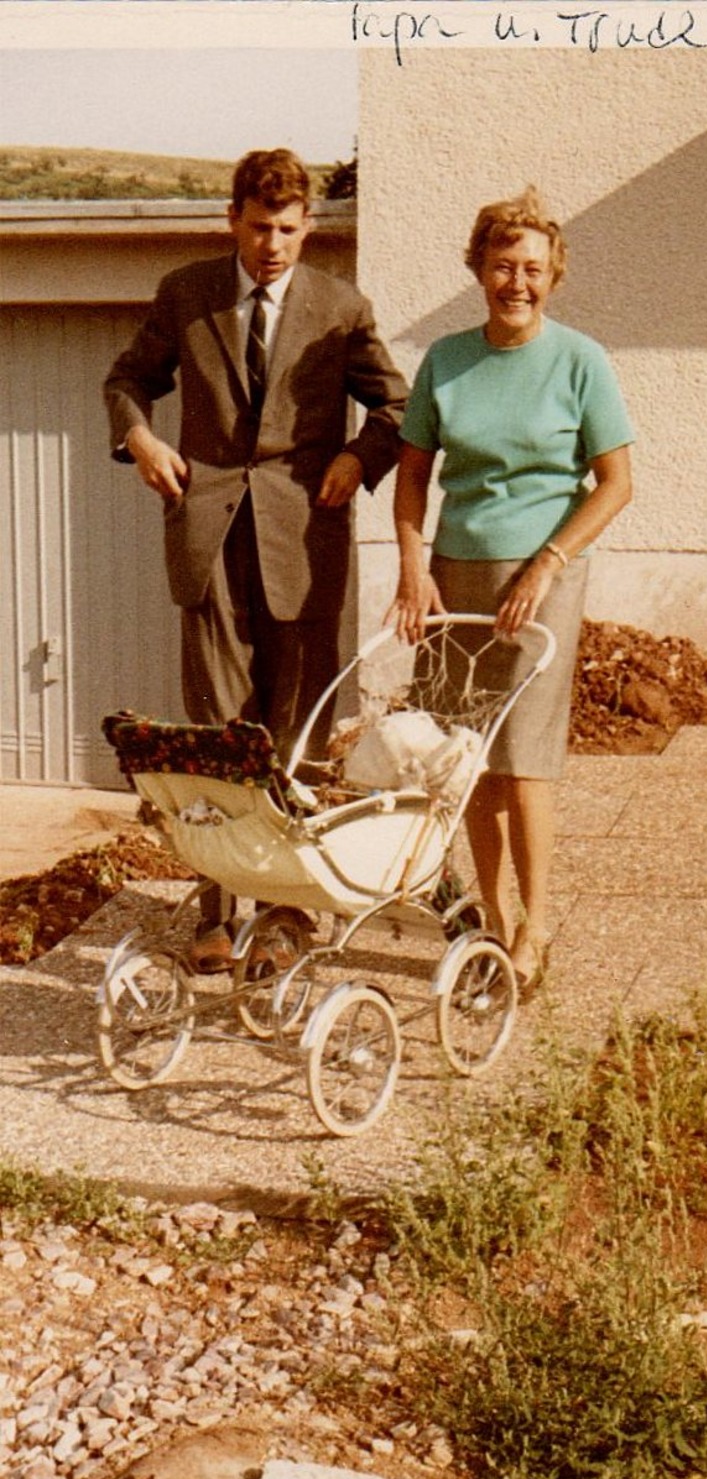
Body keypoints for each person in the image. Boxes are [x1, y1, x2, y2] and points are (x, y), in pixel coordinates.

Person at [105, 148, 409, 972]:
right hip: (207, 537)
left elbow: (397, 406)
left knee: (296, 725)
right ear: (231, 219)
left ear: (307, 227)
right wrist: (138, 438)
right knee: (214, 730)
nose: (272, 244)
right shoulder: (188, 293)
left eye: (287, 228)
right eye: (258, 226)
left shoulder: (340, 308)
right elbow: (128, 378)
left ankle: (286, 911)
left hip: (302, 539)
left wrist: (359, 457)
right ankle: (213, 910)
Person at [387, 187, 634, 997]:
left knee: (524, 760)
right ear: (478, 270)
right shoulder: (446, 360)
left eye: (532, 267)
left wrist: (549, 561)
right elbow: (414, 476)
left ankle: (535, 928)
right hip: (454, 577)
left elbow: (615, 483)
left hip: (542, 582)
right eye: (502, 265)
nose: (516, 281)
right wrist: (412, 565)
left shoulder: (580, 361)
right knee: (466, 760)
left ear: (553, 275)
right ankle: (490, 926)